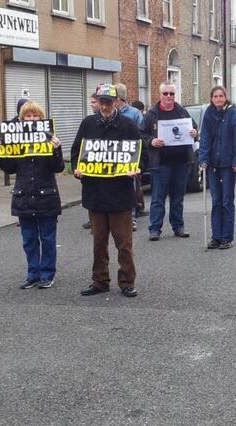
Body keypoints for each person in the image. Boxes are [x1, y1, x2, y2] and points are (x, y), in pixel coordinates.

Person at [70, 84, 143, 298]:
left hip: (120, 194)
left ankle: (127, 282)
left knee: (124, 243)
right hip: (95, 193)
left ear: (116, 102)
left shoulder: (128, 125)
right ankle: (100, 281)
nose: (105, 106)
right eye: (101, 102)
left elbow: (141, 154)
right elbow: (77, 151)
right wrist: (77, 168)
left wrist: (137, 169)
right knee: (98, 243)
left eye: (109, 102)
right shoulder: (88, 124)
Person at [0, 101, 64, 289]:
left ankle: (47, 274)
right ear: (22, 119)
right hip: (23, 196)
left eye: (35, 116)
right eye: (28, 116)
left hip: (46, 196)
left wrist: (57, 149)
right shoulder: (16, 141)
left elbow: (59, 168)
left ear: (42, 119)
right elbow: (9, 168)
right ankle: (33, 274)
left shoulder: (49, 140)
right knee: (29, 240)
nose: (32, 119)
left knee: (48, 239)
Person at [141, 81, 198, 241]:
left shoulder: (182, 111)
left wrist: (195, 132)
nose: (168, 96)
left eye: (171, 94)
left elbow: (194, 129)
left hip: (181, 162)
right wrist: (151, 141)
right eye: (165, 93)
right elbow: (141, 134)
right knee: (158, 197)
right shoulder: (151, 114)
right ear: (160, 95)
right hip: (161, 163)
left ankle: (178, 226)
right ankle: (155, 229)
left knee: (178, 197)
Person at [197, 86, 236, 250]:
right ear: (211, 98)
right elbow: (204, 138)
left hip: (227, 164)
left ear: (225, 97)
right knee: (216, 201)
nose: (218, 99)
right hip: (212, 164)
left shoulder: (233, 113)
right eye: (215, 96)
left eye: (221, 96)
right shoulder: (209, 114)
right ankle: (216, 237)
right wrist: (202, 159)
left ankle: (227, 237)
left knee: (227, 201)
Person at [114, 83, 146, 232]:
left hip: (128, 155)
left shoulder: (134, 114)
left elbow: (141, 134)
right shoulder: (109, 113)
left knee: (130, 187)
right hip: (111, 155)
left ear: (119, 99)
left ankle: (131, 218)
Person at [82, 93, 102, 231]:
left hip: (116, 185)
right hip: (93, 178)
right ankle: (93, 221)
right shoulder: (87, 122)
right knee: (98, 238)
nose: (91, 104)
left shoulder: (126, 123)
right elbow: (78, 148)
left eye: (94, 102)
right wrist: (78, 168)